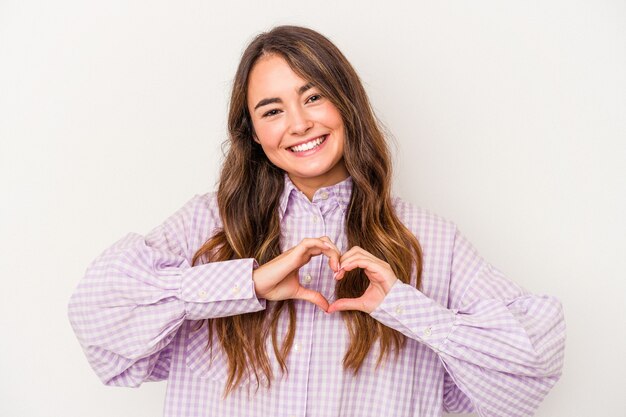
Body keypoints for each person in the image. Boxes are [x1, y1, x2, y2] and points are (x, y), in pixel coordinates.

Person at [68, 25, 565, 417]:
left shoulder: (428, 240)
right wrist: (245, 283)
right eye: (272, 110)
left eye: (313, 97)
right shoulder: (208, 225)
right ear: (253, 132)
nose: (299, 123)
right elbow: (95, 313)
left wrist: (407, 307)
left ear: (346, 104)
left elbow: (533, 366)